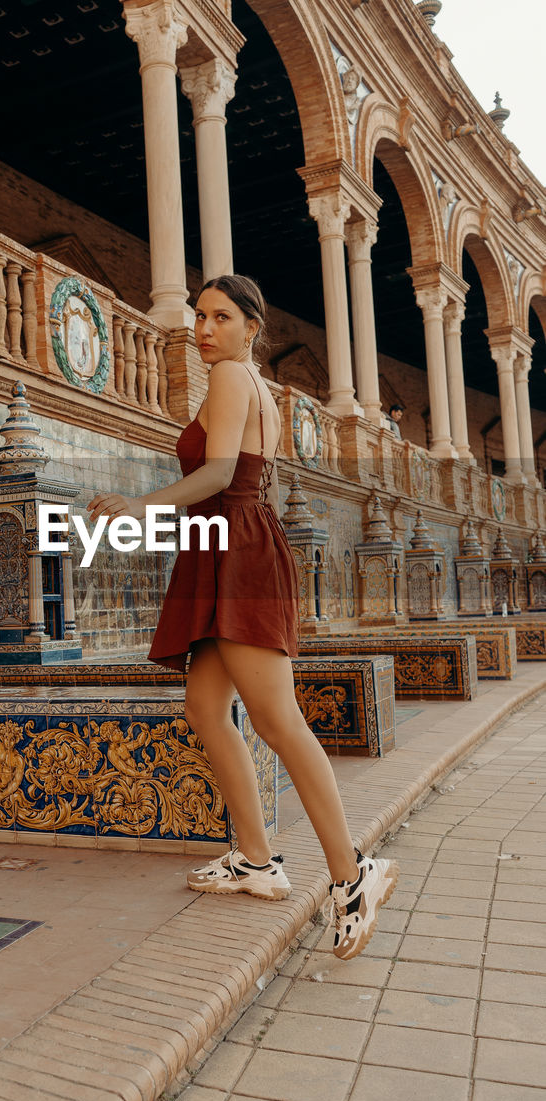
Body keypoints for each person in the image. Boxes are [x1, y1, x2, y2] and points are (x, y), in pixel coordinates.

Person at [87, 275, 398, 959]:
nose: (203, 329)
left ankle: (352, 876)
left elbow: (220, 474)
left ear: (251, 327)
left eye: (219, 317)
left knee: (276, 720)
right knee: (205, 706)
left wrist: (140, 506)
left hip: (239, 551)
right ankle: (255, 861)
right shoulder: (249, 385)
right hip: (224, 548)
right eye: (197, 316)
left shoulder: (232, 378)